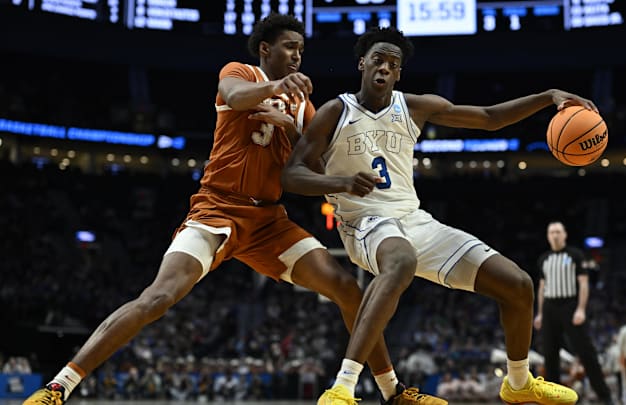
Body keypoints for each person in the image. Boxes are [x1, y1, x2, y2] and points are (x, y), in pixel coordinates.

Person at [22, 15, 438, 405]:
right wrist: (276, 90)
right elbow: (235, 96)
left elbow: (318, 164)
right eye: (290, 47)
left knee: (348, 290)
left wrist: (301, 130)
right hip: (216, 209)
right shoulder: (240, 73)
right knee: (158, 297)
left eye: (301, 50)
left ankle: (392, 391)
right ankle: (59, 387)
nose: (297, 56)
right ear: (264, 49)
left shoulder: (303, 108)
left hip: (268, 222)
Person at [282, 25, 594, 405]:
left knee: (519, 285)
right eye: (378, 59)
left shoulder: (413, 106)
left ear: (399, 74)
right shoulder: (336, 111)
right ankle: (342, 388)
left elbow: (488, 117)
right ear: (362, 63)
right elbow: (292, 174)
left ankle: (518, 382)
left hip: (415, 221)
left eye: (393, 64)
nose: (384, 68)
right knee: (400, 261)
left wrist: (548, 97)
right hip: (363, 223)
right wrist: (344, 182)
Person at [533, 221, 614, 405]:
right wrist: (539, 313)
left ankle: (604, 395)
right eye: (551, 232)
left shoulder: (575, 255)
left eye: (558, 232)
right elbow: (542, 288)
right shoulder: (543, 259)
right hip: (549, 307)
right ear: (547, 236)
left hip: (570, 305)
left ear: (564, 235)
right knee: (550, 355)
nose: (554, 235)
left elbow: (584, 283)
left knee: (586, 351)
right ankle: (555, 399)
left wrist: (581, 309)